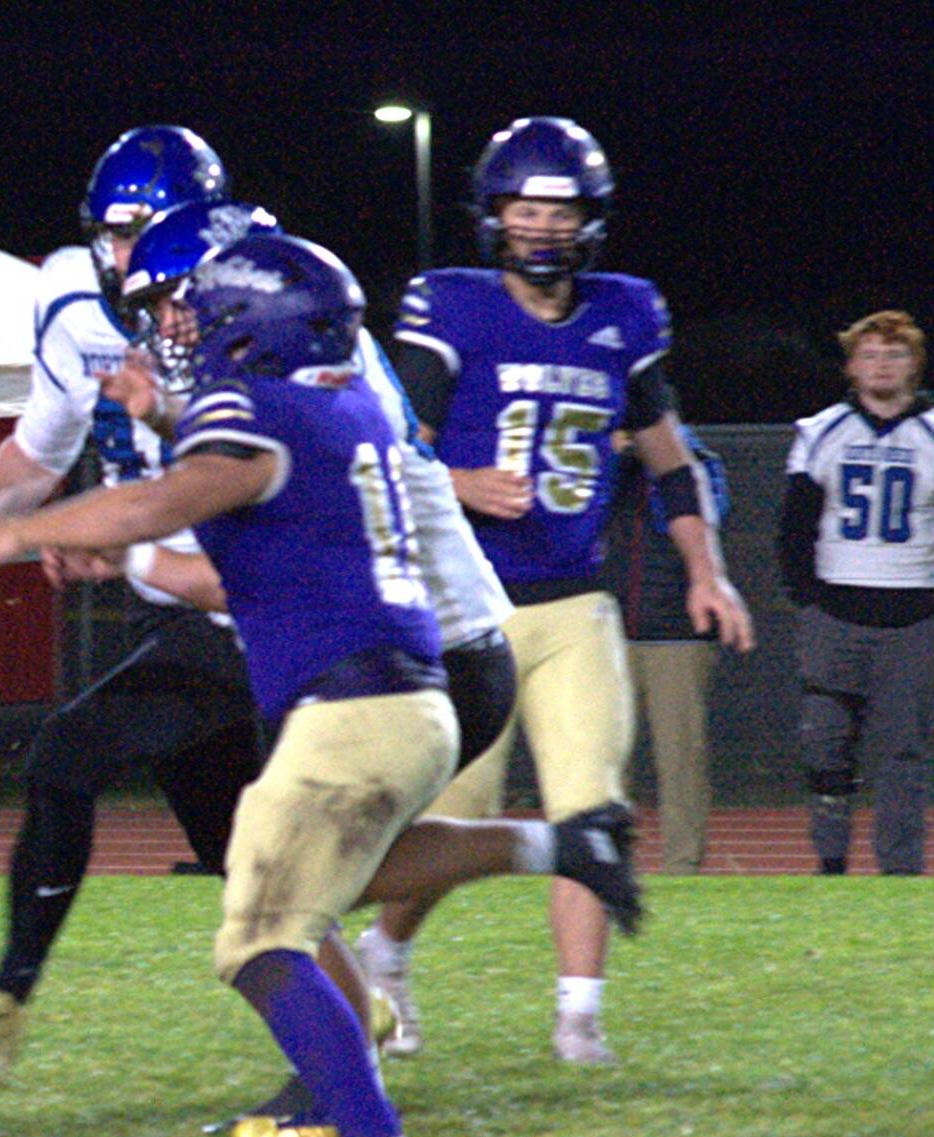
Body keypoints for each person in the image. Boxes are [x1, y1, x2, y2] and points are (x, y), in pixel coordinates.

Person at [0, 233, 504, 1137]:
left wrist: (22, 528)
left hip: (352, 710)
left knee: (263, 940)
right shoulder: (342, 402)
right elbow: (242, 476)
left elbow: (173, 498)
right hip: (393, 696)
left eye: (206, 317)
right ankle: (355, 1119)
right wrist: (156, 410)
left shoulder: (257, 410)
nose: (189, 332)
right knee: (275, 930)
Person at [369, 117, 753, 1065]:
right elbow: (384, 445)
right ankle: (386, 956)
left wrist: (708, 570)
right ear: (494, 215)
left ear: (591, 220)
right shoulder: (449, 307)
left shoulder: (625, 314)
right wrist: (459, 485)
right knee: (451, 821)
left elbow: (671, 462)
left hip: (576, 603)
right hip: (466, 609)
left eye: (558, 210)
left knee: (592, 811)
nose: (541, 227)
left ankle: (579, 1014)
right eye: (525, 208)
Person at [0, 126, 268, 1096]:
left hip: (269, 610)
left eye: (143, 237)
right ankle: (353, 1014)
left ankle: (2, 1005)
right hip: (182, 614)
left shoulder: (253, 303)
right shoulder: (73, 301)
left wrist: (115, 540)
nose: (124, 263)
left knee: (66, 754)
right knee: (249, 874)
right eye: (111, 239)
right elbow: (42, 441)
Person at [778, 310, 934, 875]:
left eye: (895, 354)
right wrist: (811, 601)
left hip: (912, 619)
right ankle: (831, 865)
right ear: (850, 366)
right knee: (825, 748)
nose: (882, 365)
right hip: (836, 617)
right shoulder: (822, 430)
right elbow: (795, 528)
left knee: (903, 756)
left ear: (915, 365)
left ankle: (898, 873)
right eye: (870, 354)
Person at [606, 422, 733, 875]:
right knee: (603, 760)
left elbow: (700, 514)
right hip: (606, 628)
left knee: (680, 759)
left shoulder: (695, 461)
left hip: (676, 631)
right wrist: (615, 460)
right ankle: (608, 865)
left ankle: (684, 868)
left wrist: (650, 458)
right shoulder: (598, 458)